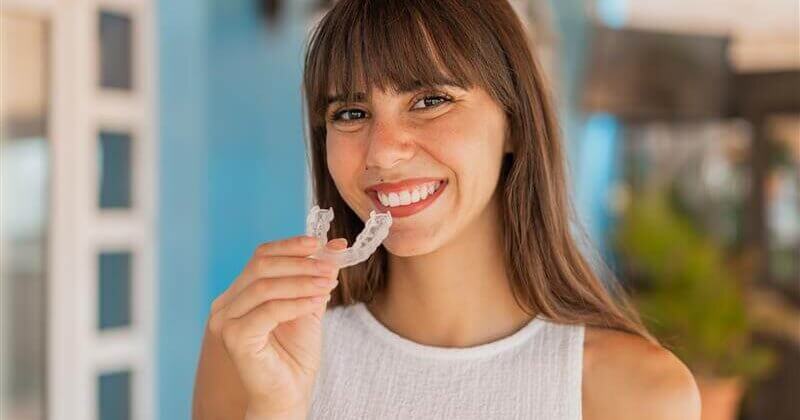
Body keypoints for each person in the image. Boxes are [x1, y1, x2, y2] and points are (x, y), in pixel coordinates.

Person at [192, 0, 701, 419]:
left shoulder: (638, 395)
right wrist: (277, 409)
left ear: (515, 122)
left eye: (430, 100)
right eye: (351, 112)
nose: (382, 152)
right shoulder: (254, 352)